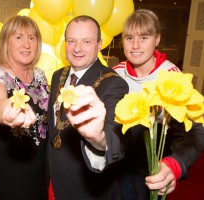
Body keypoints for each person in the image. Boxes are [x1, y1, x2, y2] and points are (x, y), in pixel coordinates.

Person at [113, 9, 204, 199]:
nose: (135, 45)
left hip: (153, 167)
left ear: (157, 39)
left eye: (144, 37)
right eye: (129, 38)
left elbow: (194, 132)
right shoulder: (116, 73)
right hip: (120, 164)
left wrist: (174, 164)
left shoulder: (171, 76)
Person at [48, 15, 129, 199]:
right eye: (71, 41)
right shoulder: (57, 76)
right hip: (57, 180)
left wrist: (98, 138)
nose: (77, 48)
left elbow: (114, 134)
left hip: (91, 187)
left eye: (86, 41)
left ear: (99, 44)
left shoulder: (114, 83)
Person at [0, 16, 50, 200]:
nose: (26, 44)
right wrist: (6, 110)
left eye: (32, 38)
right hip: (12, 164)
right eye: (18, 37)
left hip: (41, 160)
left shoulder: (40, 75)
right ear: (5, 42)